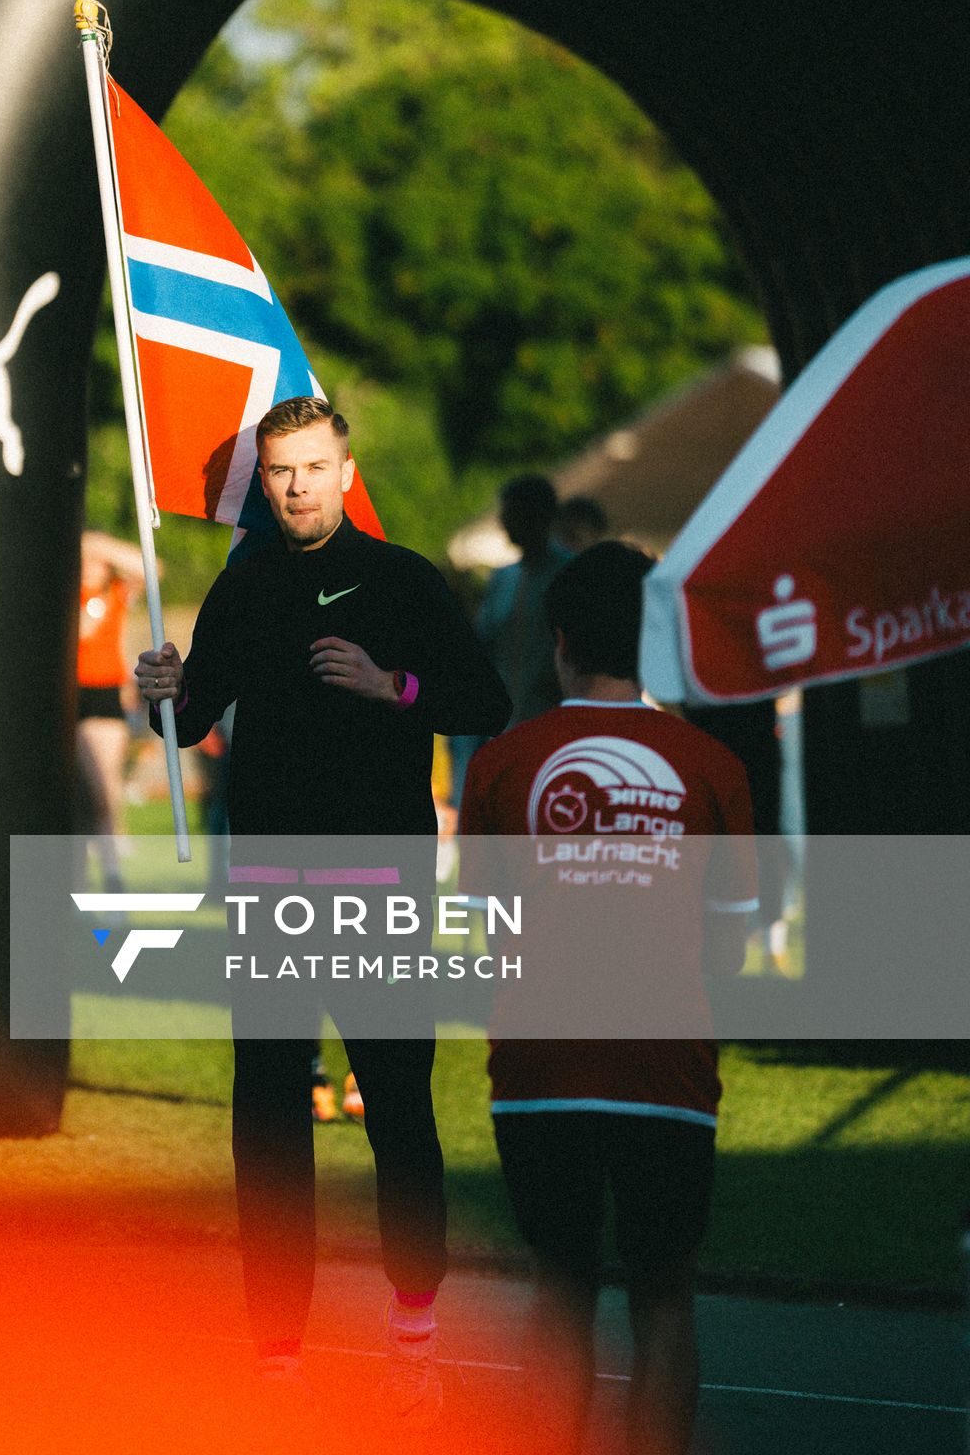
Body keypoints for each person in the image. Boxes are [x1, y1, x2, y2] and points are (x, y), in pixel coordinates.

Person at [135, 396, 510, 1421]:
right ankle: (275, 1355)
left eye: (311, 467)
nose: (296, 486)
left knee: (395, 1107)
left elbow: (485, 701)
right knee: (265, 1118)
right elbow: (189, 721)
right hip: (268, 889)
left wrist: (392, 687)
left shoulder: (399, 581)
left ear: (344, 471)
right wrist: (157, 692)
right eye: (279, 472)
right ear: (264, 481)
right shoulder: (241, 585)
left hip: (378, 884)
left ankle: (413, 1335)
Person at [460, 541, 757, 1455]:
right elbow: (733, 946)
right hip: (665, 1068)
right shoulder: (712, 765)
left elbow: (490, 927)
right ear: (655, 640)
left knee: (560, 1289)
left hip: (540, 1069)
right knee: (665, 1297)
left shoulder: (505, 763)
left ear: (557, 641)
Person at [76, 530, 144, 882]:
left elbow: (150, 568)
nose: (90, 566)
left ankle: (112, 876)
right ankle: (81, 878)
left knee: (104, 786)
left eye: (97, 562)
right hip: (72, 693)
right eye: (85, 559)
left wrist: (100, 543)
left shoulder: (117, 593)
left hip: (103, 694)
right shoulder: (69, 593)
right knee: (79, 795)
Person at [477, 473, 570, 725]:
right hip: (504, 722)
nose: (503, 522)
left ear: (538, 516)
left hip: (553, 721)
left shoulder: (571, 573)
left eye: (512, 513)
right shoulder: (502, 578)